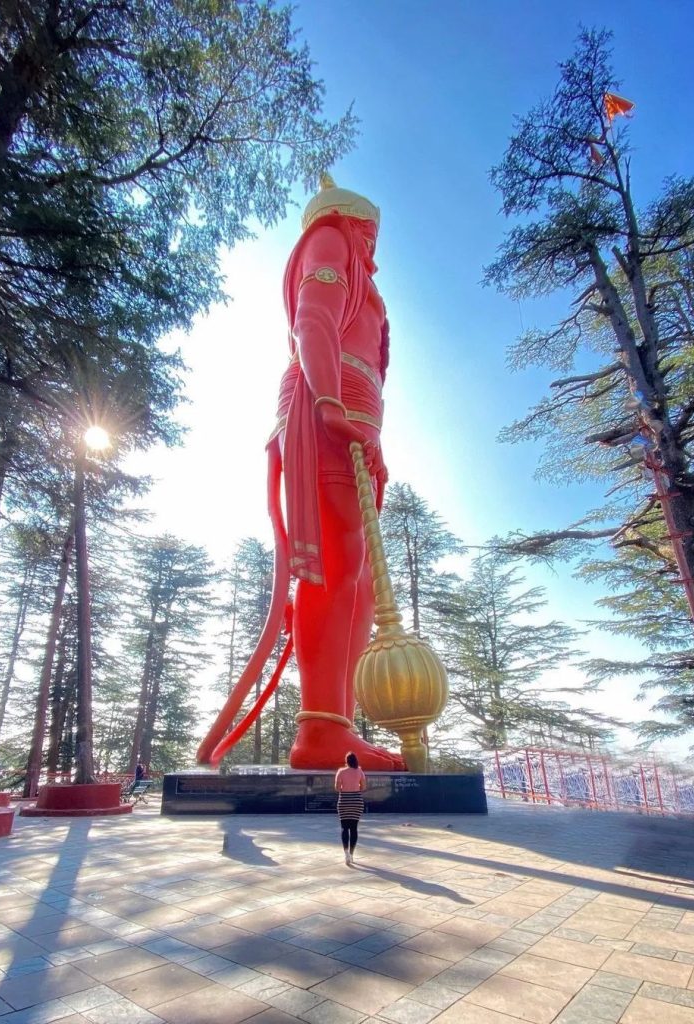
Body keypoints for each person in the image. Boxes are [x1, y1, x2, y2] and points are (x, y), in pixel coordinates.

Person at [197, 175, 403, 771]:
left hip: (354, 421)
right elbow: (312, 320)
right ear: (353, 220)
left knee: (358, 578)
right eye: (372, 232)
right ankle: (320, 730)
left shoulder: (357, 265)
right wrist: (331, 404)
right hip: (326, 413)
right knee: (336, 569)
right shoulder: (330, 238)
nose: (374, 247)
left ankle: (338, 725)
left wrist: (360, 423)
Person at [335, 751, 366, 865]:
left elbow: (337, 788)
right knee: (354, 828)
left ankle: (346, 853)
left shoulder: (341, 771)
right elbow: (363, 786)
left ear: (346, 761)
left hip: (344, 801)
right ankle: (352, 854)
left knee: (344, 828)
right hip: (356, 801)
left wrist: (344, 786)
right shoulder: (360, 771)